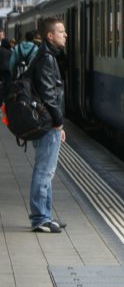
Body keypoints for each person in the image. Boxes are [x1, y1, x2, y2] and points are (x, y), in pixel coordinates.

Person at [29, 18, 68, 233]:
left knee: (47, 171)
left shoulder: (46, 55)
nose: (65, 35)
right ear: (50, 36)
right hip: (47, 123)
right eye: (61, 32)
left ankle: (46, 215)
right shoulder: (46, 58)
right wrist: (58, 123)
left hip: (46, 122)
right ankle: (40, 218)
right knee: (44, 170)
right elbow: (49, 95)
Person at [0, 32, 11, 99]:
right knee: (7, 83)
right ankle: (5, 96)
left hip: (0, 69)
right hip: (8, 69)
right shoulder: (10, 52)